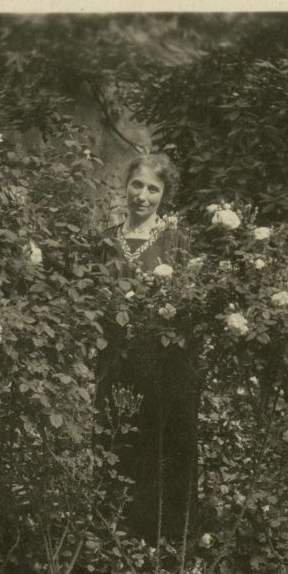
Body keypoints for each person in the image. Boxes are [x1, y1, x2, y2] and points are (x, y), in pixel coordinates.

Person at [94, 154, 201, 547]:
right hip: (116, 362)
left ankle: (166, 541)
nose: (142, 195)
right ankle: (115, 539)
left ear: (164, 194)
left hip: (164, 365)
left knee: (163, 445)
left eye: (153, 188)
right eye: (136, 184)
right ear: (126, 185)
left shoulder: (177, 240)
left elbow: (189, 305)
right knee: (118, 442)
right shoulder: (105, 240)